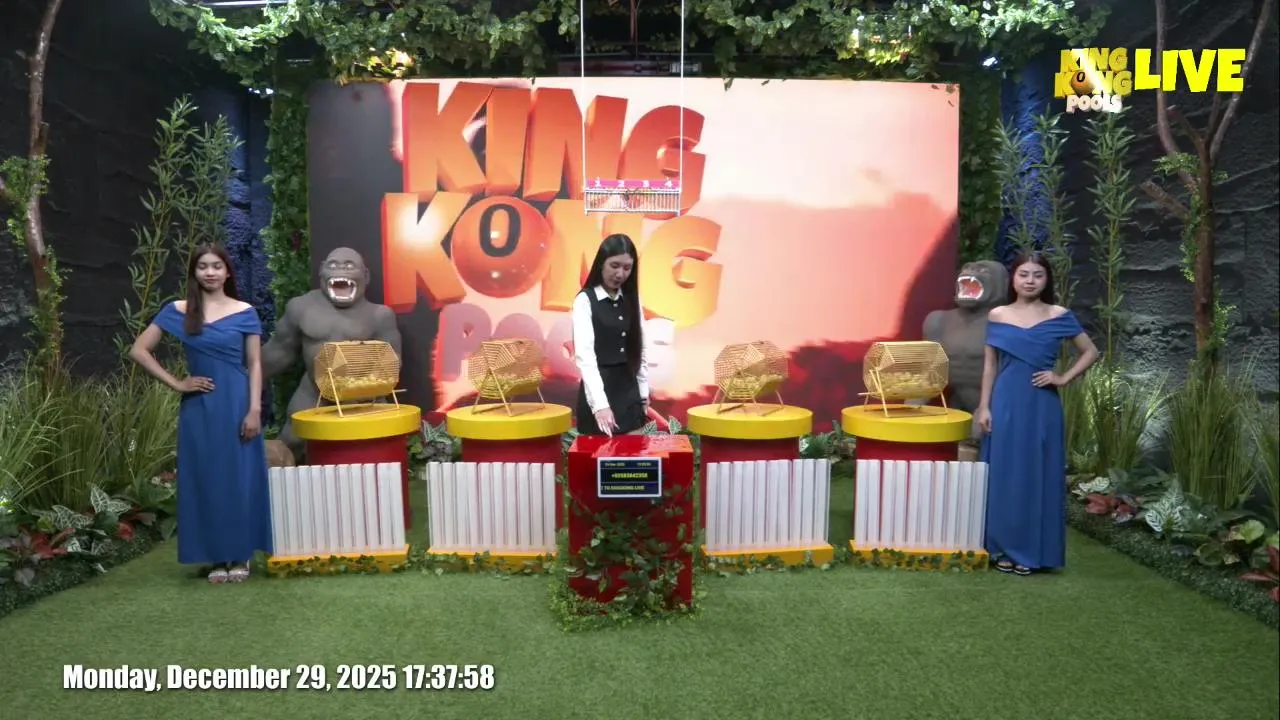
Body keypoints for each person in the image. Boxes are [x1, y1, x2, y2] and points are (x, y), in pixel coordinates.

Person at [128, 243, 273, 583]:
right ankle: (217, 557)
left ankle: (241, 555)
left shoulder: (245, 311)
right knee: (206, 479)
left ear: (227, 272)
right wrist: (177, 383)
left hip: (237, 403)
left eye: (216, 266)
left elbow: (255, 363)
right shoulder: (178, 311)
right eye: (203, 266)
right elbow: (139, 350)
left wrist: (255, 409)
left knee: (238, 479)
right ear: (194, 272)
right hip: (199, 408)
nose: (210, 272)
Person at [975, 250, 1098, 576]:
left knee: (1036, 474)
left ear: (1046, 280)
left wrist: (1063, 378)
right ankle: (999, 547)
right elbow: (990, 366)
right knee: (1004, 473)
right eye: (1024, 274)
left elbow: (1090, 351)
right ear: (1013, 279)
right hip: (1004, 402)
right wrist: (984, 406)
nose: (1030, 281)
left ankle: (1031, 552)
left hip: (1042, 405)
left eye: (1038, 275)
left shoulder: (1059, 315)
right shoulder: (997, 315)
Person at [572, 233, 650, 436]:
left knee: (634, 453)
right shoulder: (585, 300)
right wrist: (600, 406)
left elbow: (640, 349)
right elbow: (585, 358)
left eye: (627, 268)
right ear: (601, 263)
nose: (620, 274)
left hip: (629, 392)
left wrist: (643, 393)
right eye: (614, 266)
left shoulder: (633, 299)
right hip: (599, 391)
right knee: (599, 454)